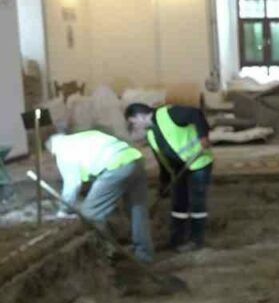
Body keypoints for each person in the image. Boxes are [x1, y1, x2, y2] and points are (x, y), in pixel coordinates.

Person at [47, 130, 154, 263]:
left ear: (52, 150)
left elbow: (72, 184)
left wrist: (63, 210)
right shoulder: (84, 136)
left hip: (115, 167)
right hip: (135, 160)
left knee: (90, 214)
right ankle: (144, 255)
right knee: (137, 209)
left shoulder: (62, 152)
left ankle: (108, 253)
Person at [125, 103, 214, 252]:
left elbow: (195, 113)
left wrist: (203, 136)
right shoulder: (151, 135)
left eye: (133, 123)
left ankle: (196, 240)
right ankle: (176, 240)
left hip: (198, 162)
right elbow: (163, 162)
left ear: (140, 116)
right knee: (178, 205)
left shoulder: (169, 114)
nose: (135, 127)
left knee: (196, 202)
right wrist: (164, 184)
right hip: (179, 169)